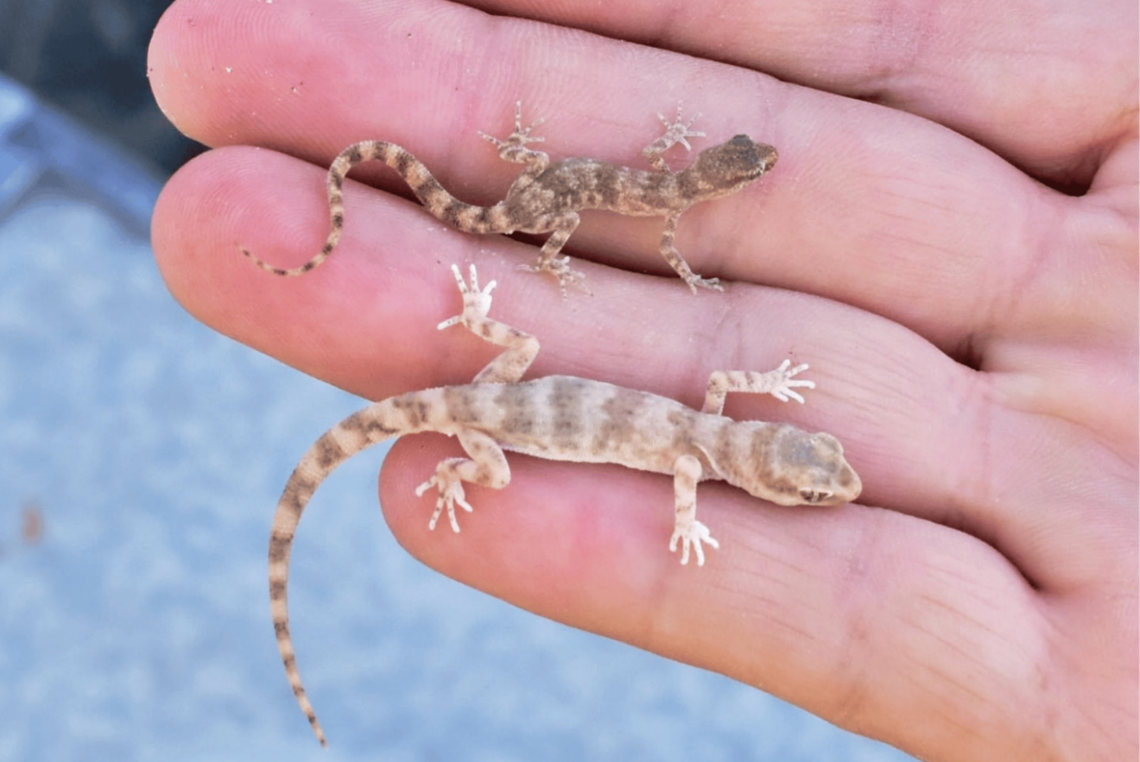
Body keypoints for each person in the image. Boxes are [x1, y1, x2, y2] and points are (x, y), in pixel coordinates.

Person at [147, 1, 1137, 759]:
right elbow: (705, 440)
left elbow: (727, 389)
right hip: (494, 415)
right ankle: (453, 473)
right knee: (480, 468)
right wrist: (688, 486)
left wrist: (768, 393)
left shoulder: (707, 429)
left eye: (814, 469)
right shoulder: (695, 462)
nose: (828, 480)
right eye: (811, 474)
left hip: (509, 380)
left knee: (497, 385)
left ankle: (456, 411)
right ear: (753, 478)